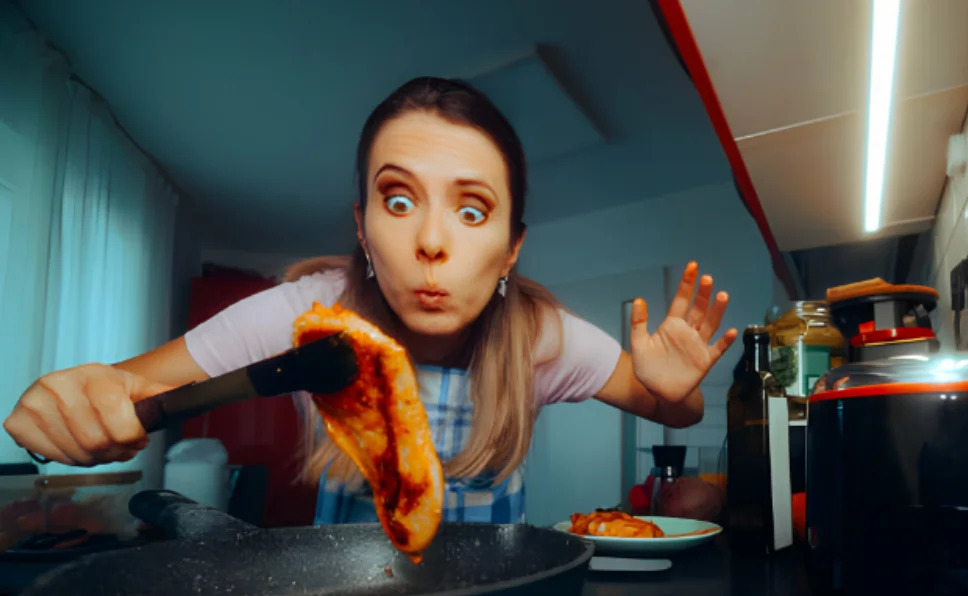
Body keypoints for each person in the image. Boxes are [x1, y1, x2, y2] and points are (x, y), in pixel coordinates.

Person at [2, 76, 738, 525]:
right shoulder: (303, 317)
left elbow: (675, 411)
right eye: (397, 199)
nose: (430, 241)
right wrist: (81, 400)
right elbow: (129, 389)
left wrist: (676, 395)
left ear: (513, 246)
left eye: (473, 211)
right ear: (361, 226)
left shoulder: (543, 336)